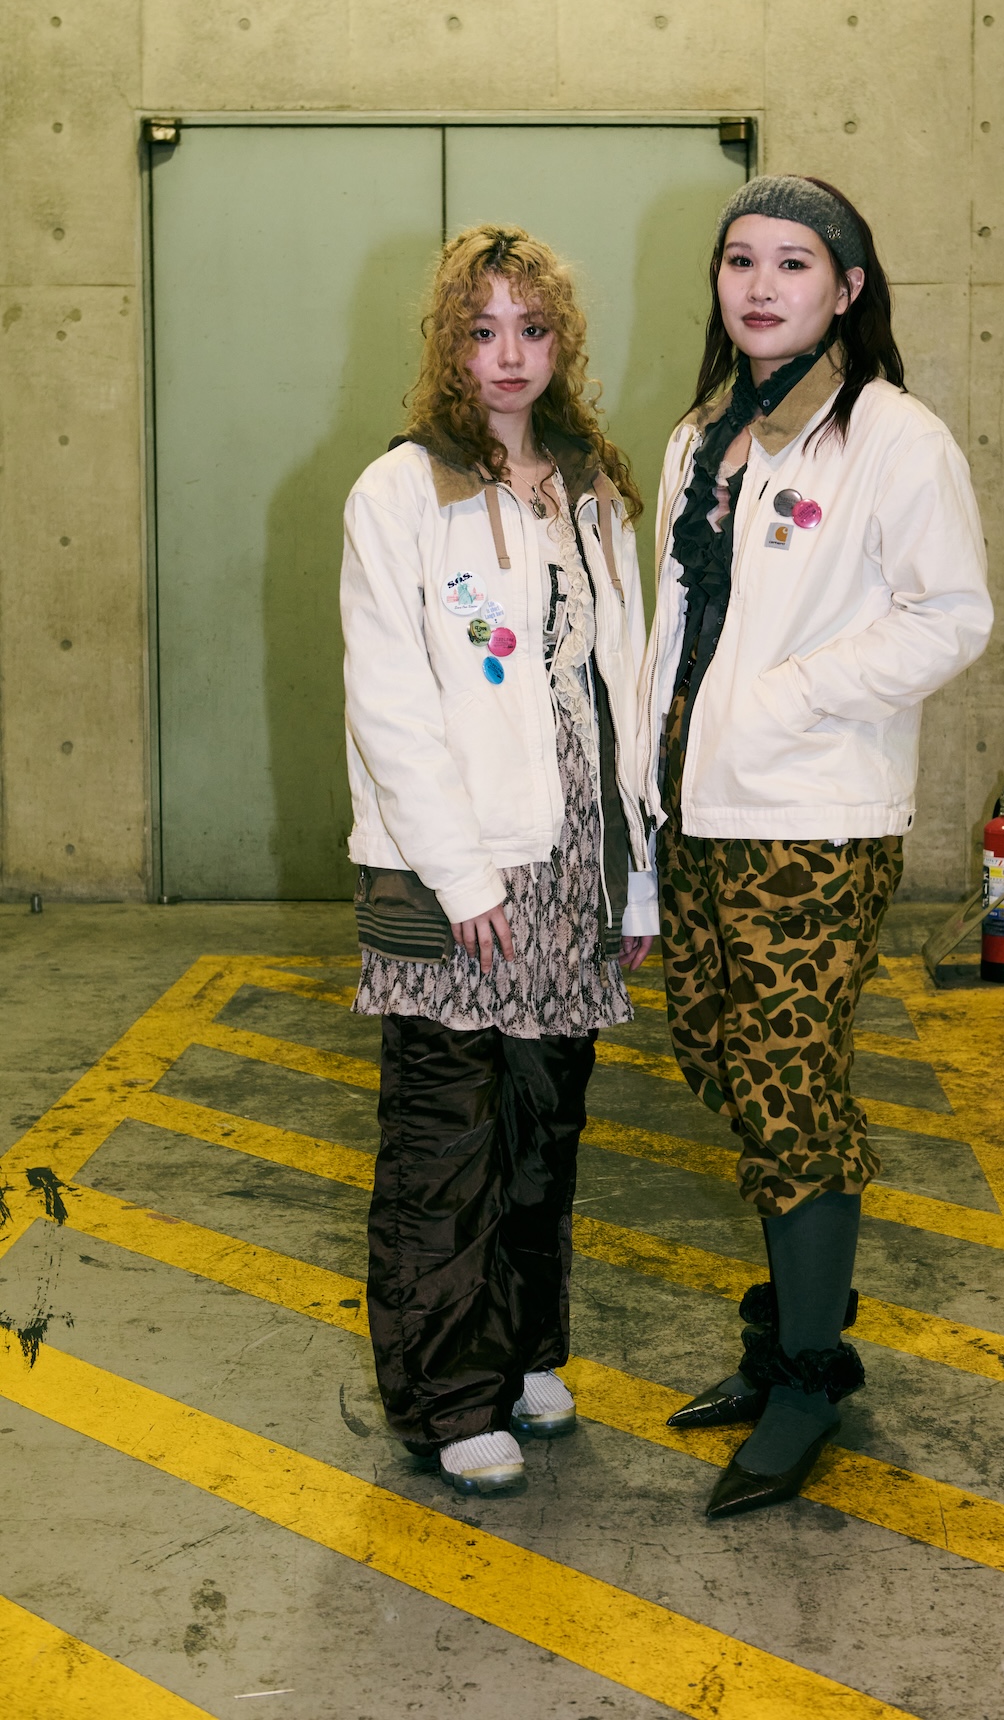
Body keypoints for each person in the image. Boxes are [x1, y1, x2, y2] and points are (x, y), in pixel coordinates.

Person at [639, 174, 992, 1519]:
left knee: (790, 1091)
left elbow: (951, 614)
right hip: (700, 801)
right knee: (719, 1055)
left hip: (813, 815)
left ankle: (806, 1374)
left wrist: (787, 696)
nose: (760, 284)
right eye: (740, 259)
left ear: (846, 289)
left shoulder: (893, 437)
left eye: (793, 262)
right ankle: (794, 1319)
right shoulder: (701, 435)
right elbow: (675, 624)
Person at [341, 224, 655, 1496]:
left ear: (562, 343)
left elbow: (623, 687)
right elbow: (391, 702)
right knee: (446, 1140)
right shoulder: (400, 491)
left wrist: (636, 873)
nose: (509, 355)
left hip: (574, 864)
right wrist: (463, 877)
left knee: (541, 1129)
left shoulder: (590, 486)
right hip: (454, 870)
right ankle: (446, 1394)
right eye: (482, 331)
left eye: (532, 328)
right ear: (448, 345)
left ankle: (521, 1350)